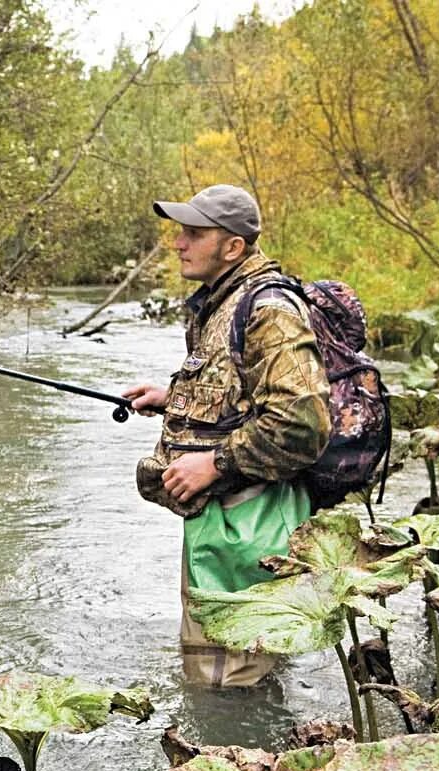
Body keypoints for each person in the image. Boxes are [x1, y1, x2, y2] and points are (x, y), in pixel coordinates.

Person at [123, 184, 331, 688]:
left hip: (249, 520)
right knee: (230, 671)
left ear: (233, 246)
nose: (179, 243)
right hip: (222, 521)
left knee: (227, 682)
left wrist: (214, 464)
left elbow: (303, 422)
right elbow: (237, 391)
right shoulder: (224, 301)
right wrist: (172, 395)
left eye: (194, 234)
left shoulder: (269, 310)